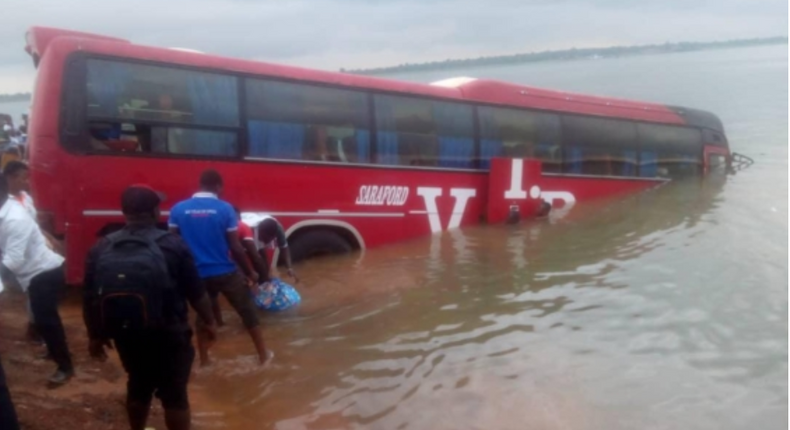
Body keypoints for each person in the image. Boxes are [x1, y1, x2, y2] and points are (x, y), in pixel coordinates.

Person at [84, 184, 218, 430]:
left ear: (124, 211)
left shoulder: (102, 246)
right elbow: (196, 292)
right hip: (170, 332)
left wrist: (95, 335)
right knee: (175, 396)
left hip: (127, 332)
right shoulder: (173, 244)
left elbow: (90, 296)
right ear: (156, 211)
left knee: (137, 384)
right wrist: (209, 321)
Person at [168, 169, 268, 366]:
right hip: (224, 272)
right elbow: (236, 247)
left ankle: (205, 361)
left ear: (200, 184)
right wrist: (250, 272)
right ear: (218, 187)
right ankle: (263, 356)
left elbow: (173, 243)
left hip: (196, 275)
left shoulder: (178, 209)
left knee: (202, 317)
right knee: (247, 312)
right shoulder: (225, 209)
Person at [0, 173, 73, 386]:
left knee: (47, 321)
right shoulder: (8, 209)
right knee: (44, 319)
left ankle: (65, 367)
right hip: (34, 273)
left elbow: (12, 260)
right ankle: (54, 351)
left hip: (44, 273)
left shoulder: (15, 220)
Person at [252, 215, 298, 283]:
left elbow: (284, 247)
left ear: (273, 236)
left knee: (265, 267)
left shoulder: (278, 230)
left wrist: (289, 268)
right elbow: (253, 257)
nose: (264, 241)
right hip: (241, 233)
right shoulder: (250, 230)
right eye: (263, 238)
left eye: (266, 239)